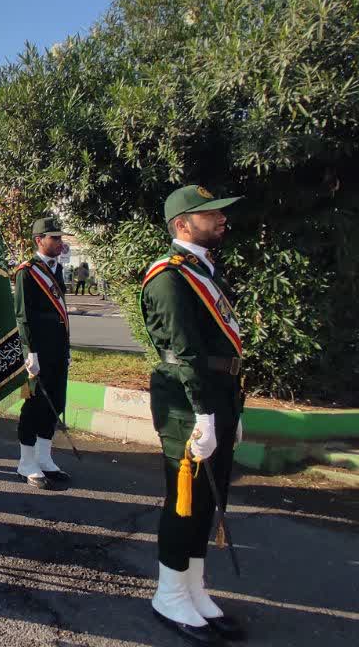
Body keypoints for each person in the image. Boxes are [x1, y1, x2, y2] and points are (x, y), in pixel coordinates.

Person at [141, 185, 246, 644]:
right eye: (210, 214)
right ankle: (169, 593)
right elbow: (185, 352)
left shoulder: (203, 271)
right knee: (185, 498)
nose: (221, 219)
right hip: (187, 401)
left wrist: (230, 408)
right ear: (183, 224)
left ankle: (193, 588)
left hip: (218, 394)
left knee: (210, 497)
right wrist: (204, 413)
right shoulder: (169, 277)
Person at [13, 217, 73, 490]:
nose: (60, 242)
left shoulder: (57, 269)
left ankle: (44, 458)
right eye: (54, 238)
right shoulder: (27, 272)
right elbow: (23, 315)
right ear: (39, 240)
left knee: (55, 402)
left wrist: (65, 348)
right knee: (35, 404)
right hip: (37, 351)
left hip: (57, 349)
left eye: (60, 238)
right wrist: (30, 352)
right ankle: (26, 462)